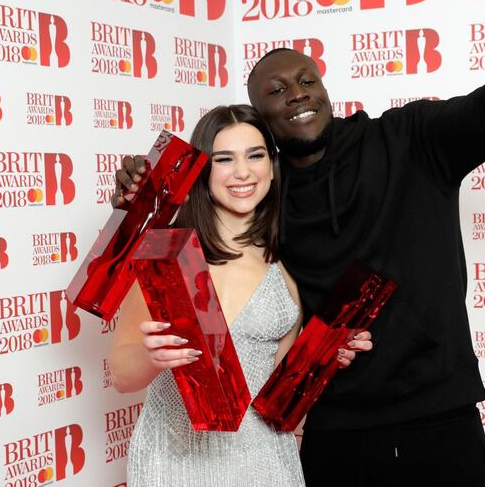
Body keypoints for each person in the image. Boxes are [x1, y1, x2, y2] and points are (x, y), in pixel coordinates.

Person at [113, 11, 485, 487]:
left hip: (438, 411)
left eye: (307, 80)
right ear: (262, 117)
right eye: (277, 89)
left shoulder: (407, 139)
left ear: (325, 89)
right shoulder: (265, 199)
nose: (296, 93)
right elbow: (190, 228)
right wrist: (143, 189)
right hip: (336, 427)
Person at [109, 105, 372, 487]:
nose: (243, 172)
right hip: (173, 460)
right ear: (203, 168)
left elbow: (283, 404)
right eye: (224, 159)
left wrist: (328, 354)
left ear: (272, 163)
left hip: (264, 461)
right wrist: (152, 356)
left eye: (255, 155)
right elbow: (121, 376)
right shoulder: (167, 253)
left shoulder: (290, 265)